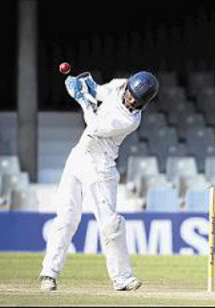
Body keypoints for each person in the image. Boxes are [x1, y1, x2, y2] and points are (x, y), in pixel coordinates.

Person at [39, 71, 159, 292]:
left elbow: (94, 126)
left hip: (101, 167)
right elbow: (100, 91)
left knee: (110, 224)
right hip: (79, 157)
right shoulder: (121, 85)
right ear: (129, 86)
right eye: (131, 94)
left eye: (137, 100)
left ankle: (122, 278)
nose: (131, 99)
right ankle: (49, 273)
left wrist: (82, 99)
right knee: (66, 217)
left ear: (144, 103)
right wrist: (82, 85)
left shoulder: (130, 120)